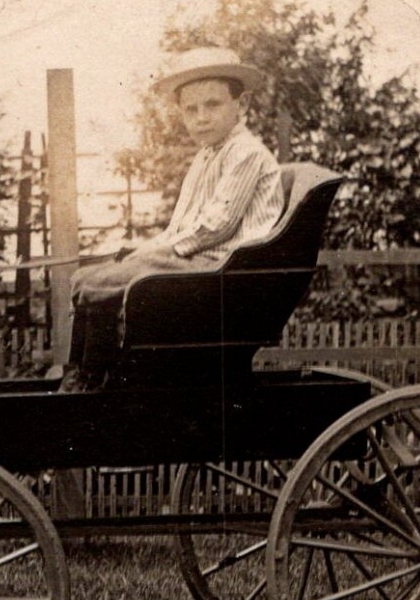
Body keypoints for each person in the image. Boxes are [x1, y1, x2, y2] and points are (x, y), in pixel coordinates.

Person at [58, 47, 283, 392]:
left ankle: (89, 382)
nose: (201, 117)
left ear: (242, 105)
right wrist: (148, 247)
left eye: (213, 105)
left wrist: (161, 252)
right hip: (199, 259)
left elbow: (217, 224)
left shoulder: (247, 153)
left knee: (98, 285)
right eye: (191, 109)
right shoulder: (207, 156)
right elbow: (182, 224)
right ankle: (84, 374)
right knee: (86, 278)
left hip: (225, 269)